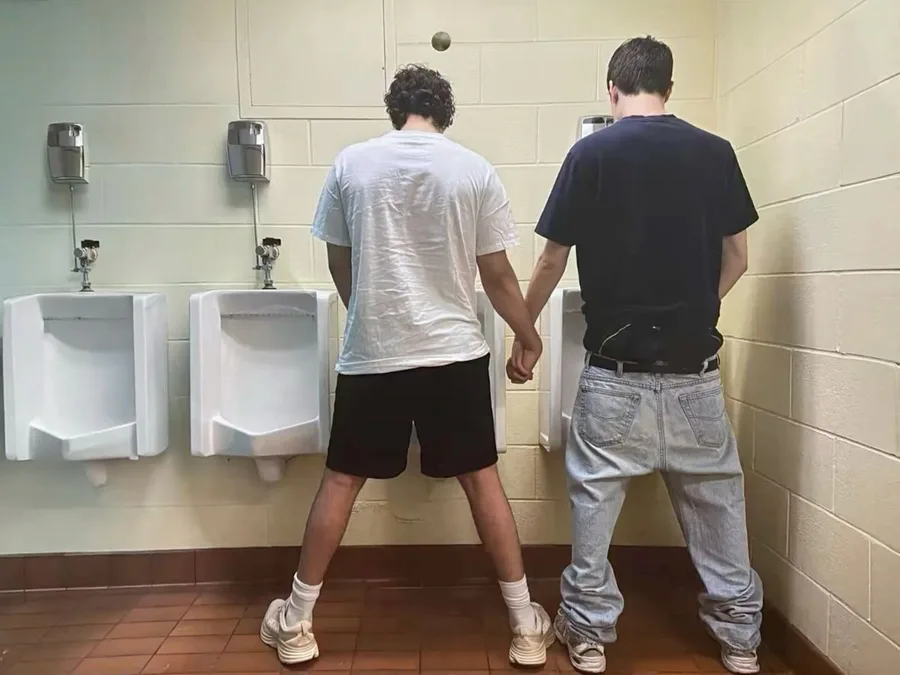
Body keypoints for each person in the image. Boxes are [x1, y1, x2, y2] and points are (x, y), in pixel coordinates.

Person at [259, 65, 554, 667]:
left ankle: (297, 620)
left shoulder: (351, 164)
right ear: (445, 112)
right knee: (482, 480)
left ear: (396, 111)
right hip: (454, 352)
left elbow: (339, 261)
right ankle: (526, 624)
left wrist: (369, 315)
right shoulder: (473, 169)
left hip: (375, 354)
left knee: (341, 480)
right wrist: (529, 336)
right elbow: (497, 275)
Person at [508, 37, 763, 675]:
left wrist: (526, 332)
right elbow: (738, 258)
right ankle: (740, 640)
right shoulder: (715, 152)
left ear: (612, 89)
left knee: (595, 509)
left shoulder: (591, 154)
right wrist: (696, 308)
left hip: (615, 376)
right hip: (695, 374)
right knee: (717, 507)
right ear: (669, 89)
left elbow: (552, 259)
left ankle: (589, 637)